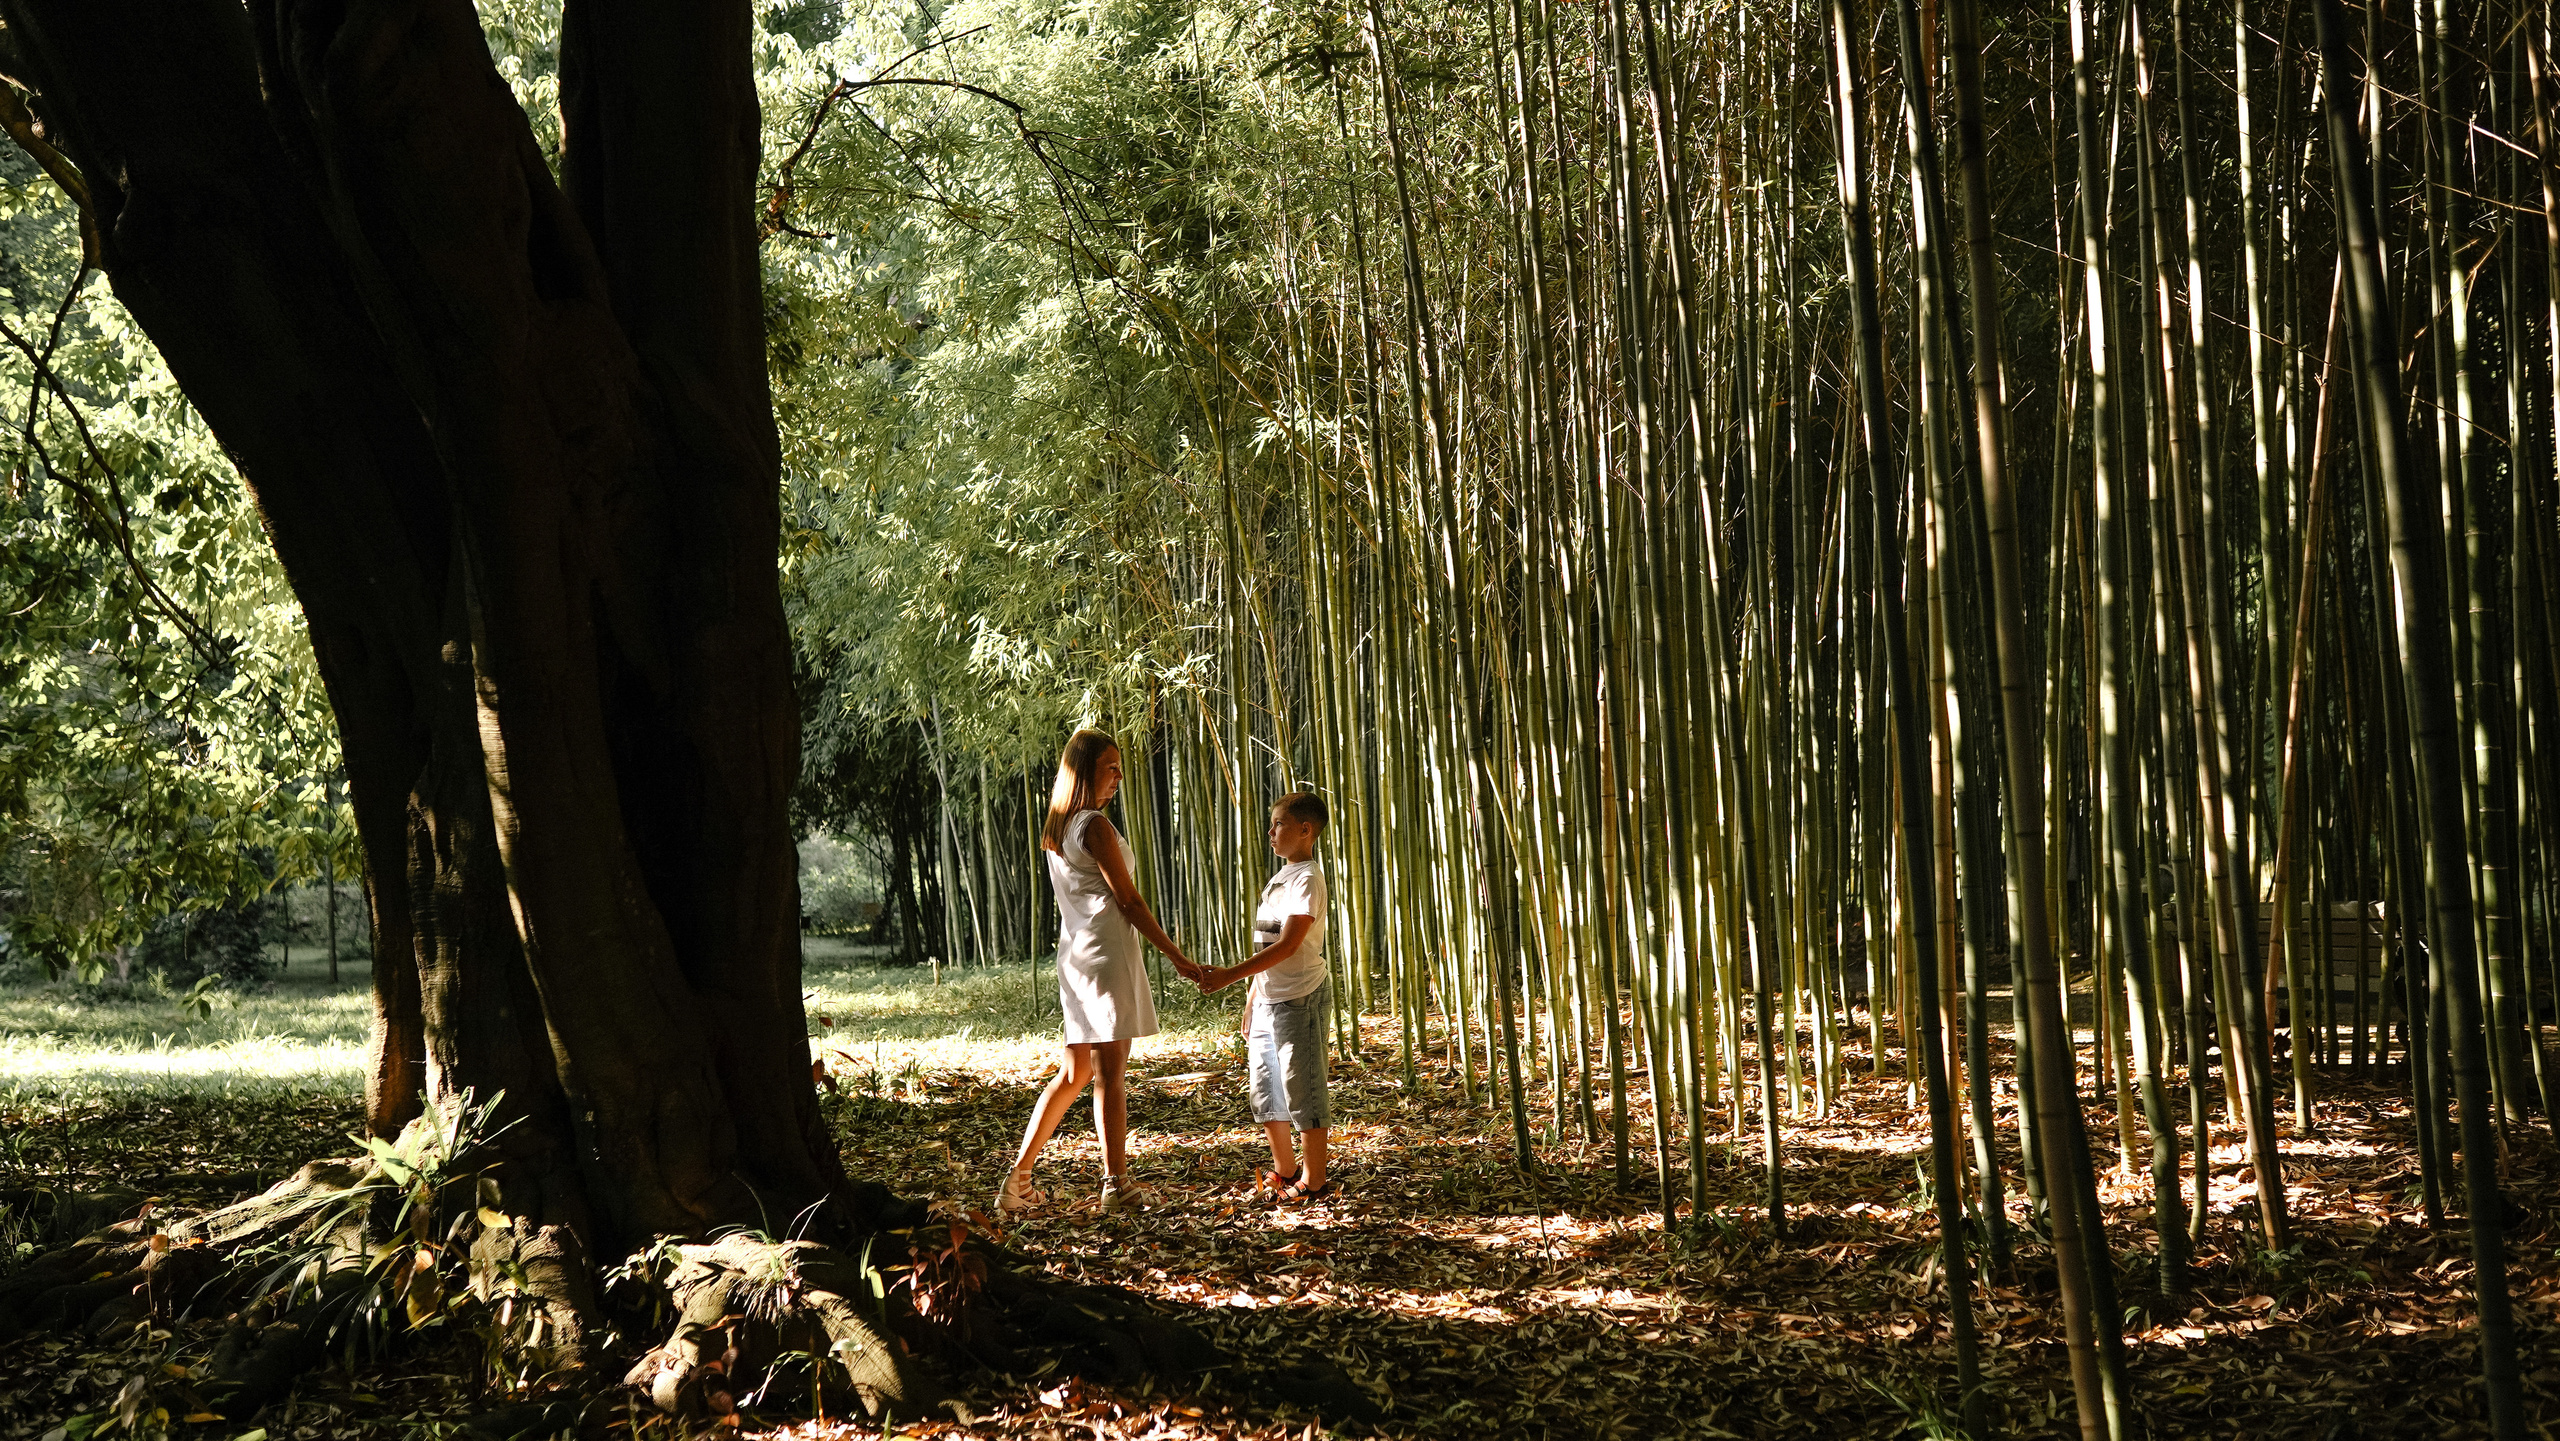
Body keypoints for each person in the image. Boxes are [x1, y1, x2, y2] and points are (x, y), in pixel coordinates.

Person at [998, 729, 1195, 1215]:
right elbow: (1127, 899)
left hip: (1077, 954)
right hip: (1105, 955)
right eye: (1111, 767)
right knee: (1109, 1074)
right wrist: (1176, 954)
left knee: (1074, 1074)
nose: (1120, 777)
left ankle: (1017, 1180)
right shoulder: (1094, 827)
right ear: (1085, 770)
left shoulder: (1057, 827)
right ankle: (1115, 1185)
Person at [1191, 791, 1332, 1202]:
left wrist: (1230, 976)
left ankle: (1316, 1178)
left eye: (1279, 824)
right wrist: (1252, 996)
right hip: (1270, 997)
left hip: (1299, 995)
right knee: (1266, 1086)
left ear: (1305, 830)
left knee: (1301, 1085)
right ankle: (1285, 1169)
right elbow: (1265, 945)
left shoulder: (1307, 877)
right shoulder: (1283, 875)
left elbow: (1289, 945)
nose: (1270, 832)